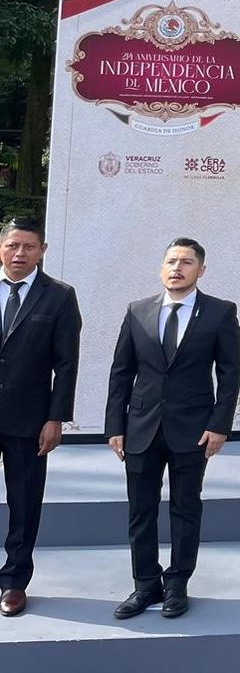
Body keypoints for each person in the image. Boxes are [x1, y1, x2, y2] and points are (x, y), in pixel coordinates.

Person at [105, 238, 240, 620]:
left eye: (186, 262)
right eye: (171, 261)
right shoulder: (138, 311)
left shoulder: (219, 313)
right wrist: (115, 425)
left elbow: (230, 374)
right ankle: (145, 584)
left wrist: (219, 425)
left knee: (186, 508)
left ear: (201, 270)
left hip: (193, 429)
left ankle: (177, 583)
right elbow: (121, 372)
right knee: (140, 510)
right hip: (141, 427)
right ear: (161, 268)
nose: (177, 268)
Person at [0, 217, 81, 618]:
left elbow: (66, 364)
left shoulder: (59, 296)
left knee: (24, 501)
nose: (20, 254)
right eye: (13, 245)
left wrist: (56, 418)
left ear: (42, 250)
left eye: (29, 247)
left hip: (30, 417)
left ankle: (14, 580)